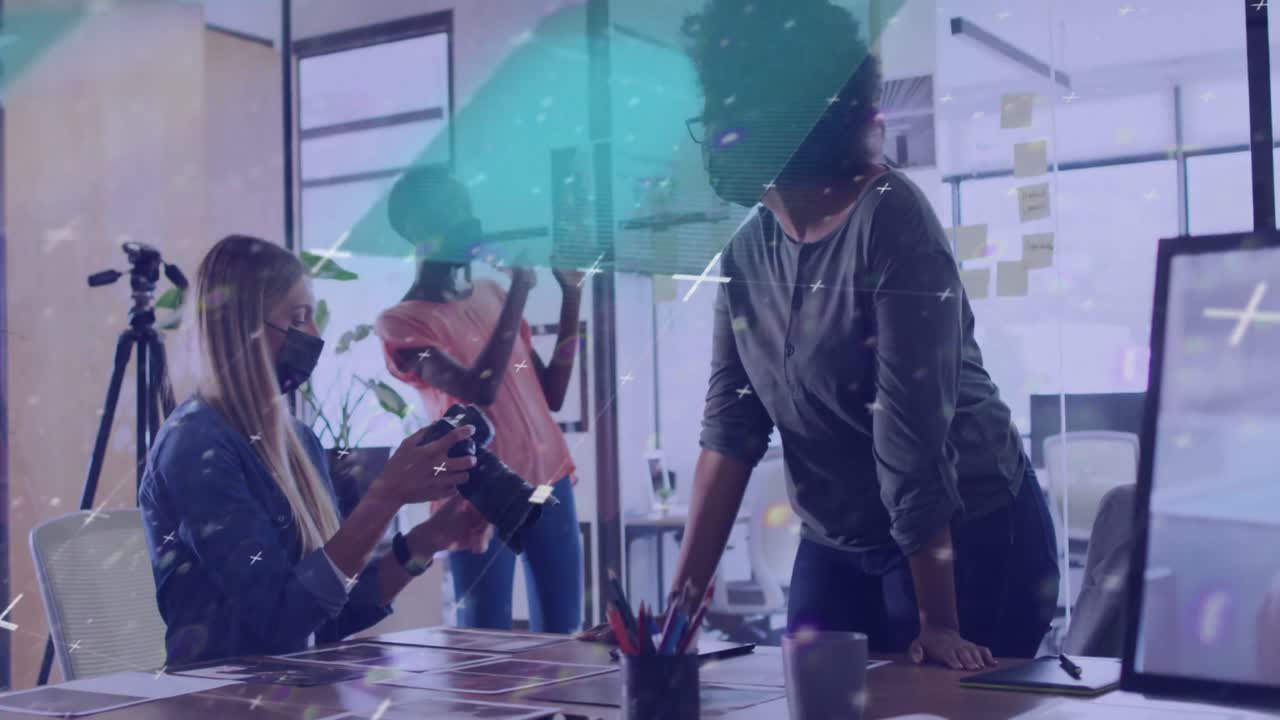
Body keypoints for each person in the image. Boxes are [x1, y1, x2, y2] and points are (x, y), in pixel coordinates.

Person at [586, 0, 1060, 669]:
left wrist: (940, 624)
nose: (708, 133)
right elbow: (731, 435)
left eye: (721, 110)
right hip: (837, 537)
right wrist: (674, 620)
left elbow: (910, 441)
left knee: (934, 704)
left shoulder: (892, 221)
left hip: (966, 532)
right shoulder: (748, 251)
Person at [140, 235, 487, 666]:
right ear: (242, 329)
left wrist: (427, 540)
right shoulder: (196, 447)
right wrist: (385, 496)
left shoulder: (298, 442)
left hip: (287, 693)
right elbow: (281, 619)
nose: (315, 335)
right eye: (299, 317)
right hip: (219, 701)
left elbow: (327, 615)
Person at [375, 167, 585, 634]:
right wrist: (521, 293)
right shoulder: (401, 323)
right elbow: (480, 387)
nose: (464, 220)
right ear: (415, 229)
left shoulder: (491, 294)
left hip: (552, 481)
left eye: (465, 207)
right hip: (477, 494)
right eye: (448, 211)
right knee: (483, 643)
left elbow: (552, 394)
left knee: (565, 640)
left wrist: (571, 296)